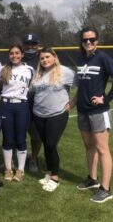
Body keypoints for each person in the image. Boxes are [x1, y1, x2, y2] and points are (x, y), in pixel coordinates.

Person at [73, 27, 113, 203]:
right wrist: (73, 102)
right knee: (89, 146)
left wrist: (105, 99)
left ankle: (106, 188)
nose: (88, 42)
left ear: (97, 40)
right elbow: (82, 86)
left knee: (102, 149)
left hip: (98, 111)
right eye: (85, 40)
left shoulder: (103, 57)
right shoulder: (81, 59)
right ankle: (92, 179)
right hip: (82, 110)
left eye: (91, 39)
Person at [30, 47, 75, 192]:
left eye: (47, 57)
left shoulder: (65, 71)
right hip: (38, 114)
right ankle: (49, 173)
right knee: (46, 144)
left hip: (57, 113)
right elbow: (30, 92)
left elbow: (83, 86)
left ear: (54, 57)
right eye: (42, 58)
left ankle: (55, 177)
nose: (44, 60)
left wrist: (72, 103)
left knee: (50, 144)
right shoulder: (38, 74)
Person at [0, 44, 34, 182]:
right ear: (9, 55)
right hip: (5, 105)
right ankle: (8, 168)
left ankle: (20, 170)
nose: (14, 56)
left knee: (21, 139)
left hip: (21, 106)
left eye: (17, 53)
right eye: (12, 53)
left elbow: (32, 88)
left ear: (22, 54)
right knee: (7, 139)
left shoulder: (29, 69)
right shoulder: (4, 69)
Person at [22, 33, 42, 173]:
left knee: (36, 134)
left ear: (37, 45)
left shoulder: (42, 58)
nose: (30, 47)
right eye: (28, 44)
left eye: (33, 44)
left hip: (37, 101)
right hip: (21, 101)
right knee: (18, 132)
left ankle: (34, 158)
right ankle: (17, 157)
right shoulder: (18, 57)